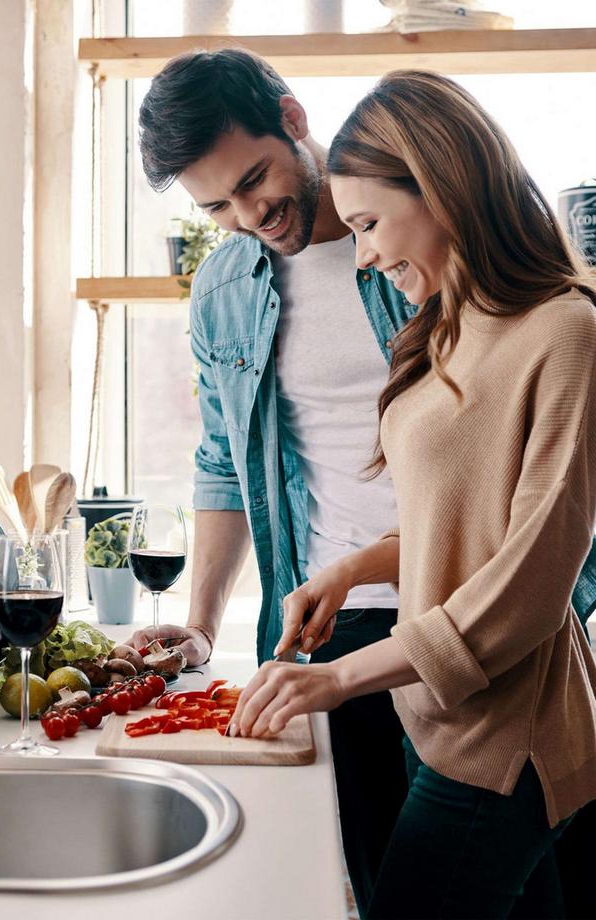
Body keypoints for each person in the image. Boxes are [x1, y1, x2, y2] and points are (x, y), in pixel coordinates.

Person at [127, 48, 596, 917]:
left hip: (488, 674)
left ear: (295, 119)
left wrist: (350, 669)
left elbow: (527, 556)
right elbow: (230, 462)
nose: (245, 215)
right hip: (365, 640)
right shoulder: (254, 291)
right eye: (215, 206)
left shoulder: (523, 317)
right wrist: (301, 590)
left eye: (254, 181)